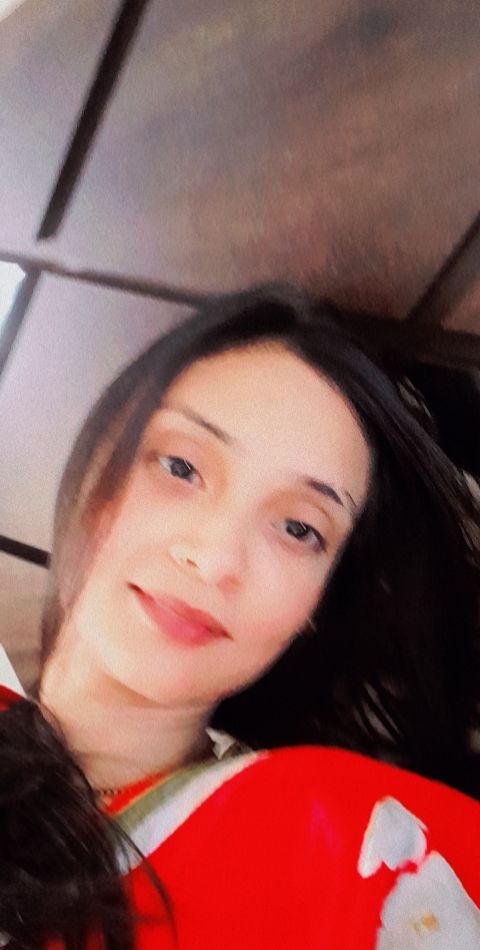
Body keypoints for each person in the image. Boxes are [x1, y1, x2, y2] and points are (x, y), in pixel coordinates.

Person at [0, 286, 479, 949]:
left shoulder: (351, 842)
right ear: (92, 470)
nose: (215, 558)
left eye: (299, 528)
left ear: (319, 605)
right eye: (180, 466)